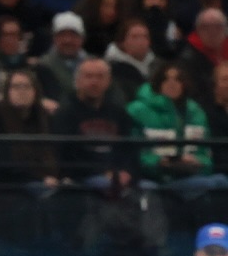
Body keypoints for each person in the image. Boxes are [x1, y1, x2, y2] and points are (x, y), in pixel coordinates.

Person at [128, 61, 228, 192]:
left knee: (220, 181)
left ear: (184, 84)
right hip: (151, 177)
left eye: (177, 80)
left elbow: (205, 154)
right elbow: (131, 152)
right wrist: (158, 162)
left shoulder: (195, 112)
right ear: (158, 83)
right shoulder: (137, 110)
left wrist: (197, 161)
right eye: (166, 80)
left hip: (188, 176)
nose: (172, 84)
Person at [50, 56, 138, 185]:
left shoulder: (118, 112)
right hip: (82, 177)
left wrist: (127, 171)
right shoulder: (65, 113)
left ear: (108, 81)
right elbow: (66, 156)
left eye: (100, 77)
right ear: (78, 81)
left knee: (149, 188)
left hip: (116, 174)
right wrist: (103, 172)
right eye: (89, 76)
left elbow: (128, 149)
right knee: (104, 184)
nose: (94, 82)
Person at [0, 66, 60, 185]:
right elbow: (2, 163)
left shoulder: (45, 119)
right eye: (16, 87)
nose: (22, 91)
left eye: (27, 87)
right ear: (7, 91)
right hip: (12, 184)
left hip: (49, 180)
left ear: (35, 91)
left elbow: (58, 154)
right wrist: (40, 180)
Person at [34, 10, 88, 110]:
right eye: (62, 35)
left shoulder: (95, 65)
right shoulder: (42, 66)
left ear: (82, 38)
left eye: (73, 35)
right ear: (54, 38)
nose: (67, 40)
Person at [178, 7, 228, 110]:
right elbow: (193, 94)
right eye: (205, 27)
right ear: (198, 30)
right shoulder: (187, 59)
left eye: (218, 26)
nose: (212, 31)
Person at [105, 17, 156, 102]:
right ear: (122, 41)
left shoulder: (157, 65)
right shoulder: (113, 69)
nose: (141, 41)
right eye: (135, 37)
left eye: (145, 37)